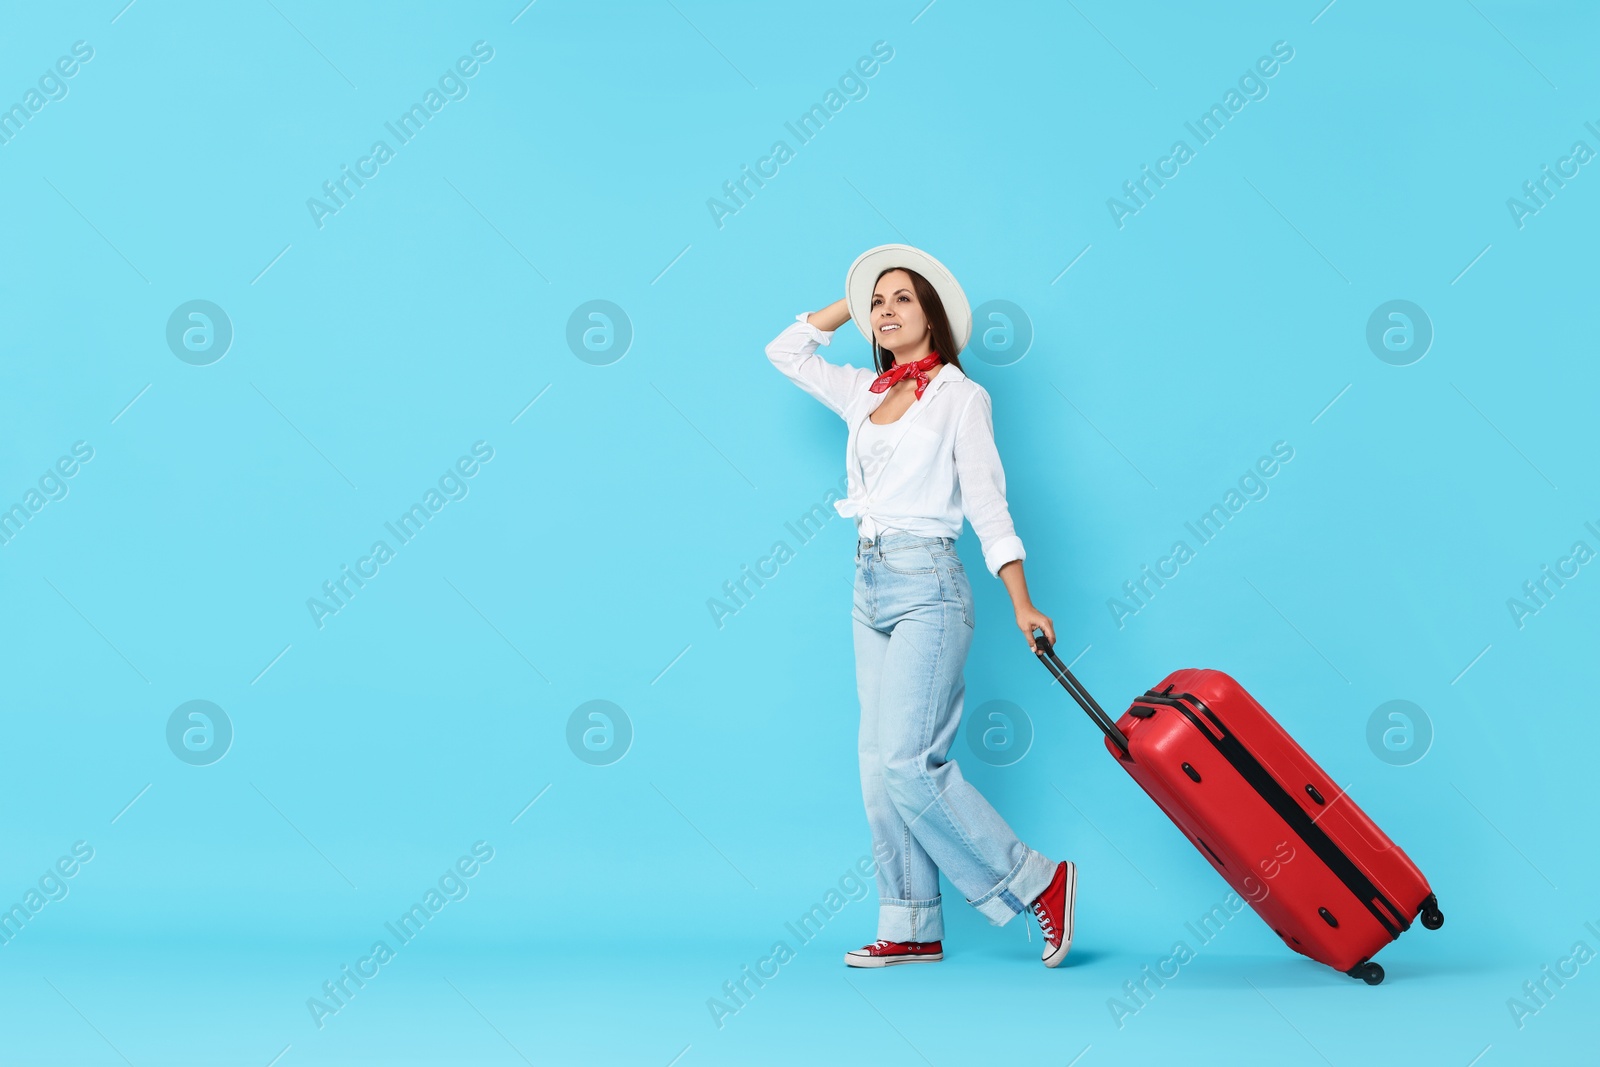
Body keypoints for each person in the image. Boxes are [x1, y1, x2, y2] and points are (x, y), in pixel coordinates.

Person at [764, 244, 1076, 969]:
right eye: (879, 303)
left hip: (930, 584)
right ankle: (910, 924)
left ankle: (1037, 882)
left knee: (910, 760)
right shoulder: (866, 393)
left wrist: (1024, 602)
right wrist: (852, 290)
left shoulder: (963, 398)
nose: (885, 310)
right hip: (867, 582)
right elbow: (785, 350)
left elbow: (991, 508)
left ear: (932, 315)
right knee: (878, 766)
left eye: (902, 297)